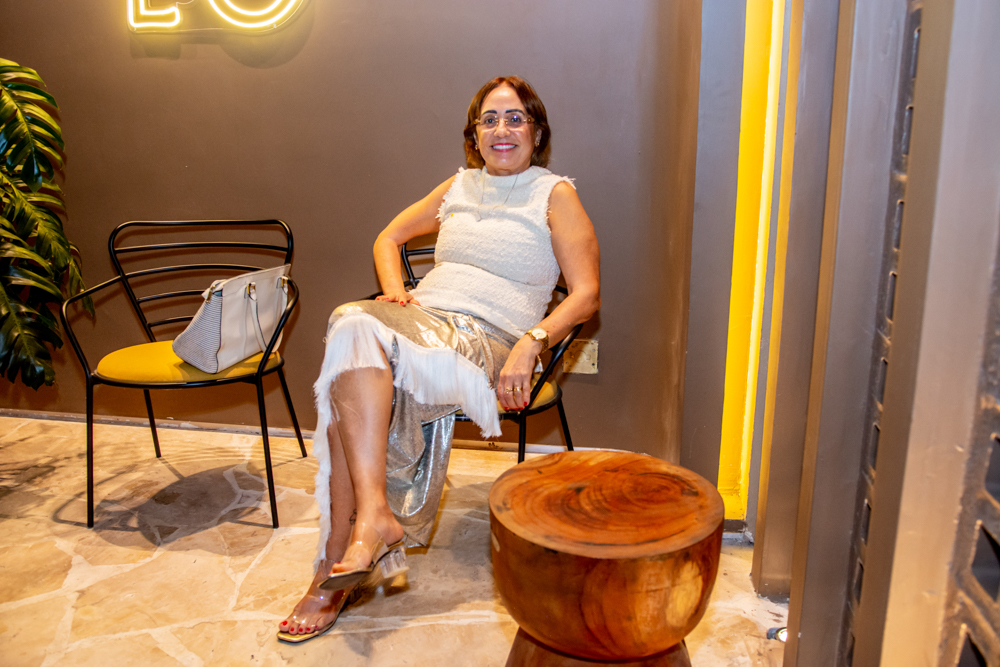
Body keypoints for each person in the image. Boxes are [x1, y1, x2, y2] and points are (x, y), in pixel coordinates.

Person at [278, 76, 600, 643]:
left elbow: (586, 294)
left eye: (515, 118)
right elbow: (388, 238)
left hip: (490, 341)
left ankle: (335, 563)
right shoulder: (458, 185)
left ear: (537, 131)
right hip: (424, 323)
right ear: (474, 135)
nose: (502, 129)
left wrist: (532, 341)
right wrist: (395, 293)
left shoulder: (555, 195)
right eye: (489, 119)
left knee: (349, 356)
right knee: (351, 329)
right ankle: (371, 519)